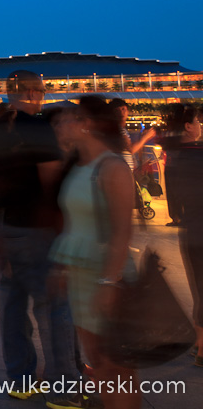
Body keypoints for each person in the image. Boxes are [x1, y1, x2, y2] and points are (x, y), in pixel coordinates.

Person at [0, 70, 82, 406]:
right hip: (35, 228)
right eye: (39, 90)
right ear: (24, 91)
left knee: (12, 306)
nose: (42, 95)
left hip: (3, 225)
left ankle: (21, 379)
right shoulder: (37, 126)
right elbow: (50, 181)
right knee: (54, 309)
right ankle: (64, 391)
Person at [50, 96, 140, 409]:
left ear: (87, 124)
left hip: (106, 275)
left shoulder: (112, 167)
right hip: (81, 274)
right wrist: (63, 267)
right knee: (98, 362)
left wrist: (108, 283)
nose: (61, 124)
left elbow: (121, 230)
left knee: (117, 366)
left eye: (70, 118)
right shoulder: (78, 166)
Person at [158, 104, 203, 366]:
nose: (199, 125)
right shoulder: (198, 154)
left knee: (199, 289)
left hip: (191, 229)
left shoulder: (173, 154)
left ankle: (199, 345)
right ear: (188, 126)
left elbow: (173, 199)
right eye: (197, 121)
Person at [109, 98, 156, 173]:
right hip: (121, 172)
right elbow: (131, 149)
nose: (121, 113)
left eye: (123, 109)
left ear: (128, 111)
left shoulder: (117, 129)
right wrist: (145, 137)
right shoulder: (118, 129)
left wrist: (144, 137)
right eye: (117, 111)